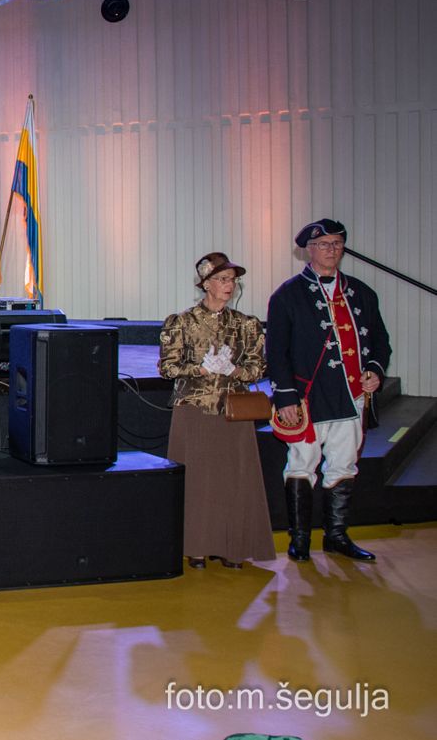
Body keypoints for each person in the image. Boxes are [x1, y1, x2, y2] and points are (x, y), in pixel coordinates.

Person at [266, 219, 391, 563]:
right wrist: (286, 397)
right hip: (307, 398)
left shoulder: (362, 293)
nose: (331, 250)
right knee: (302, 464)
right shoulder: (287, 295)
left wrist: (375, 371)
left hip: (351, 395)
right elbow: (276, 353)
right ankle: (300, 539)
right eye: (323, 244)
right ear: (309, 249)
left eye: (336, 244)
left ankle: (337, 536)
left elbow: (381, 341)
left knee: (344, 464)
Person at [157, 252, 275, 569]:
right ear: (206, 283)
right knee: (197, 480)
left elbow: (258, 368)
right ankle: (195, 546)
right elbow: (167, 368)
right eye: (222, 279)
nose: (229, 285)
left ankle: (231, 547)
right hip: (194, 409)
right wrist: (200, 369)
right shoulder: (182, 322)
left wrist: (235, 370)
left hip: (232, 410)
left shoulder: (246, 324)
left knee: (234, 480)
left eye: (232, 280)